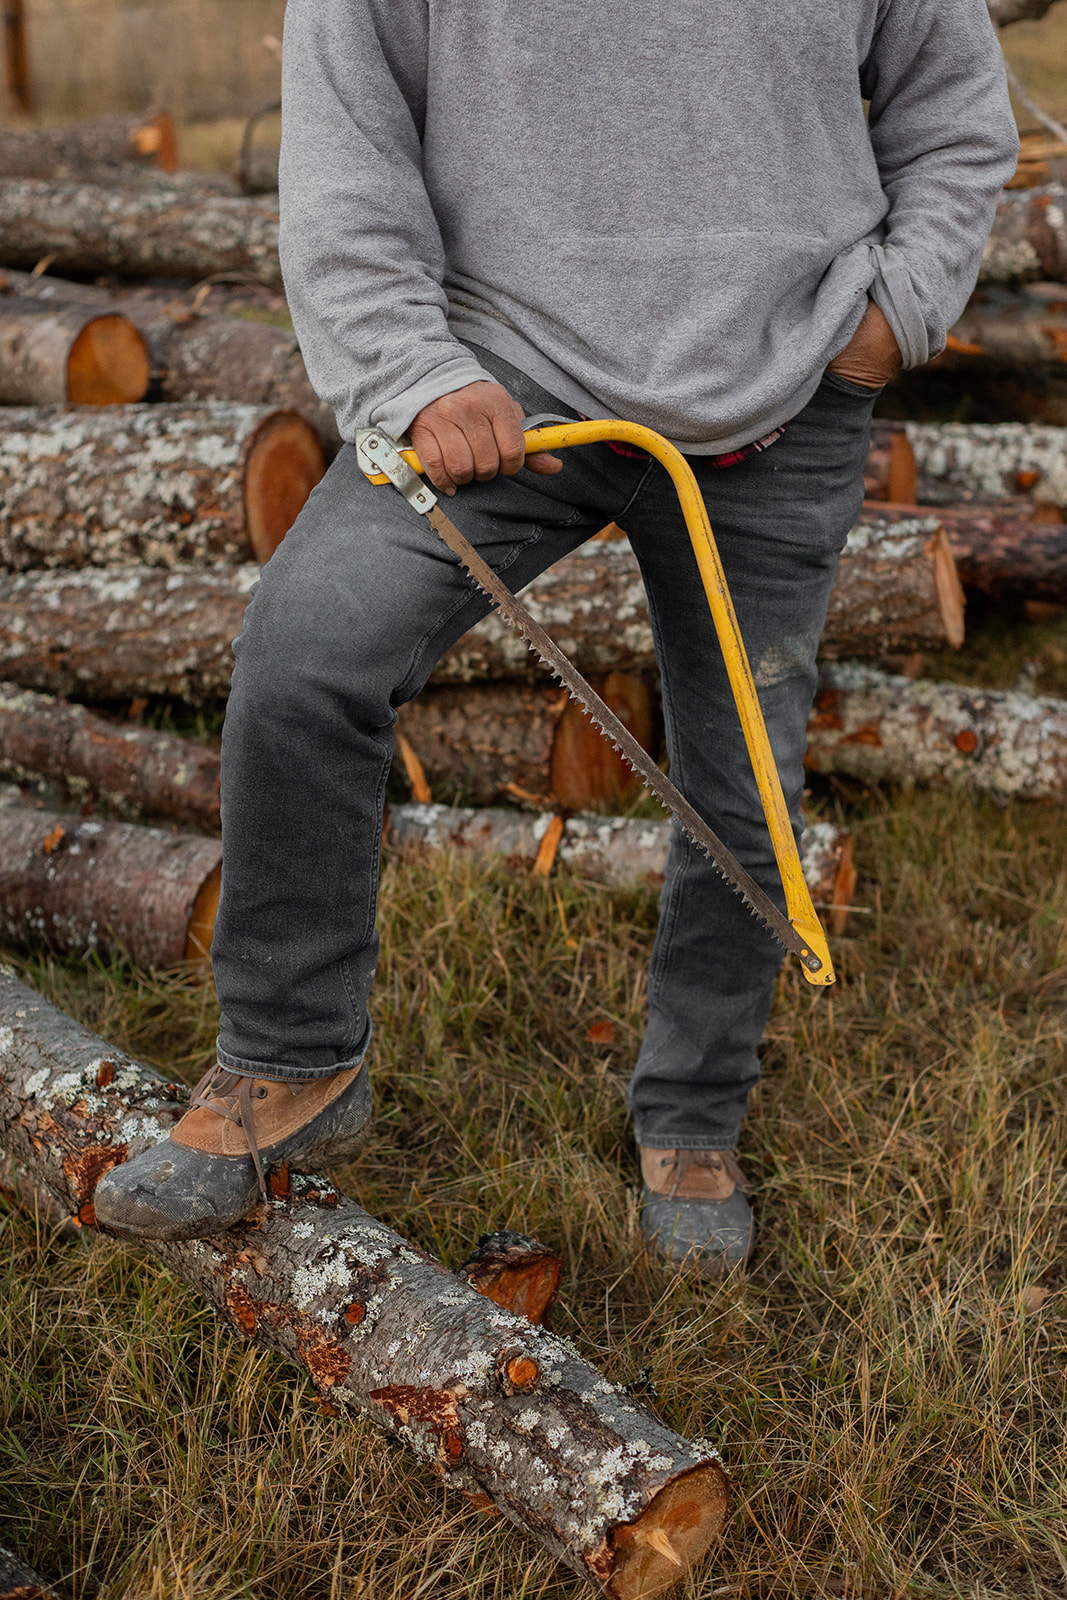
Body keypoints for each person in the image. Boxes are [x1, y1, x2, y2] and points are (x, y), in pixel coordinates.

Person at [95, 0, 1018, 1275]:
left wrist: (888, 318)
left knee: (743, 776)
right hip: (494, 387)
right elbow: (344, 160)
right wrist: (412, 373)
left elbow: (954, 110)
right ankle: (292, 1061)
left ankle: (691, 1118)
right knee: (305, 658)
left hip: (785, 395)